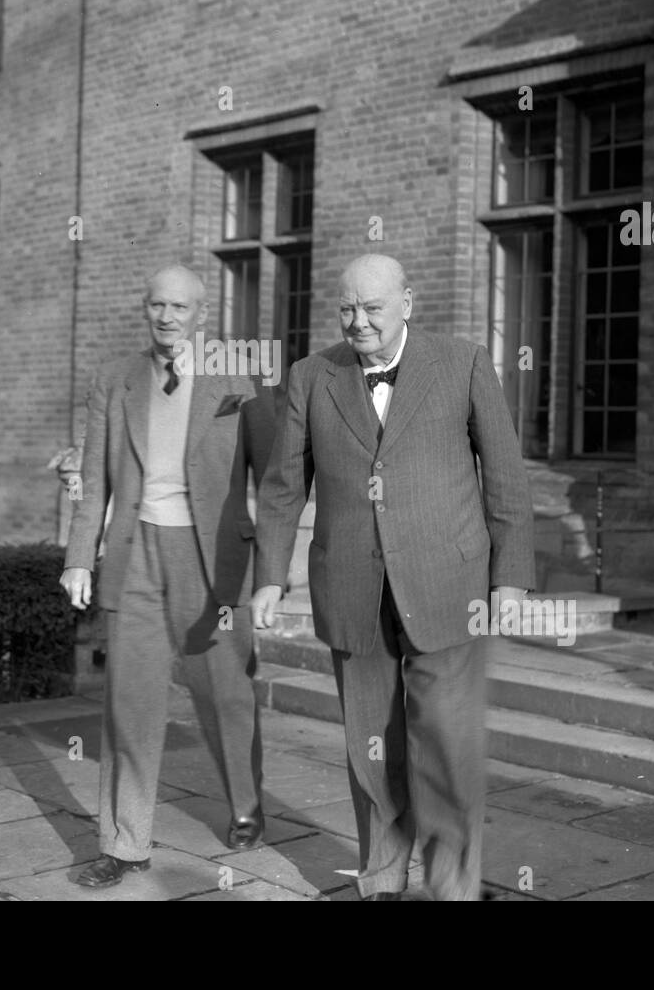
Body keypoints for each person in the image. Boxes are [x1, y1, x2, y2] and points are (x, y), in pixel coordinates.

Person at [251, 254, 534, 900]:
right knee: (372, 748)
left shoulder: (461, 362)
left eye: (372, 307)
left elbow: (505, 474)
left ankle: (451, 885)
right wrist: (270, 573)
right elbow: (281, 487)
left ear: (407, 301)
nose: (359, 321)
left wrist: (509, 578)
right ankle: (380, 878)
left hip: (448, 585)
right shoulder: (310, 376)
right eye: (346, 308)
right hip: (353, 588)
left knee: (446, 746)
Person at [60, 265, 274, 889]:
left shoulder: (237, 376)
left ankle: (244, 803)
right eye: (156, 304)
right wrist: (79, 556)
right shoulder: (116, 378)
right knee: (129, 701)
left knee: (225, 692)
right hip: (136, 555)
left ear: (202, 314)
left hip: (215, 561)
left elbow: (277, 476)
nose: (167, 316)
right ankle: (124, 844)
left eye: (180, 306)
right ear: (144, 308)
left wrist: (272, 570)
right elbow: (94, 478)